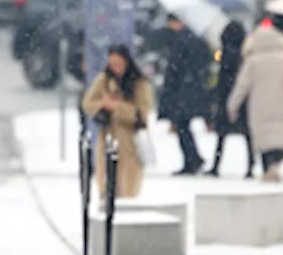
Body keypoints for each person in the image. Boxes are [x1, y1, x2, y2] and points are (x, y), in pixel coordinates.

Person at [81, 44, 154, 200]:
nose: (116, 69)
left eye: (118, 64)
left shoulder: (139, 83)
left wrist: (117, 107)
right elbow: (88, 103)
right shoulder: (104, 80)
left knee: (127, 188)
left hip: (129, 142)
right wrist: (103, 105)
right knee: (106, 184)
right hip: (107, 138)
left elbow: (141, 114)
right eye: (112, 64)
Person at [228, 21, 283, 182]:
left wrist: (232, 106)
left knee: (264, 138)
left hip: (260, 107)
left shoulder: (253, 61)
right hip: (282, 104)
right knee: (280, 136)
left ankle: (268, 166)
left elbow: (241, 86)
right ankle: (276, 163)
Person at [160, 14, 211, 175]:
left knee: (182, 126)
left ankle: (192, 160)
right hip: (192, 89)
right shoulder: (196, 39)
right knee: (184, 126)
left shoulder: (181, 41)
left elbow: (175, 68)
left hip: (183, 91)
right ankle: (193, 158)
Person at [207, 21, 253, 178]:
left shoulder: (225, 53)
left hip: (226, 96)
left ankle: (216, 165)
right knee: (247, 135)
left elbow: (221, 78)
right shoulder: (245, 53)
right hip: (244, 98)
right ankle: (250, 165)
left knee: (222, 135)